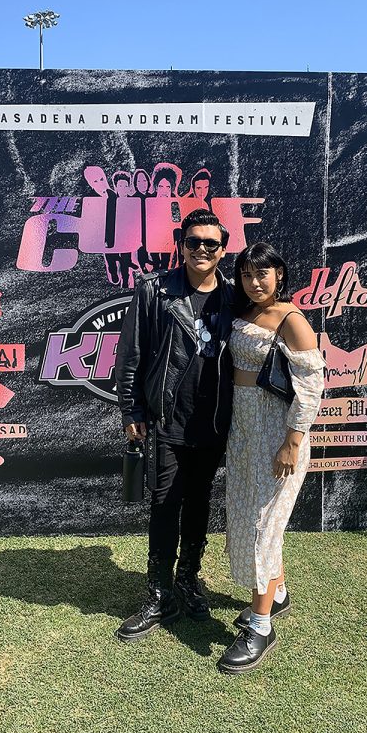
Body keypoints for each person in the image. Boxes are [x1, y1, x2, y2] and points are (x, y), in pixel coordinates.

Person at [114, 208, 234, 642]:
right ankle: (160, 591)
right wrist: (132, 412)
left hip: (213, 423)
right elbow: (131, 355)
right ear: (180, 245)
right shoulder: (154, 291)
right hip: (166, 420)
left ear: (223, 249)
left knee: (199, 502)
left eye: (211, 243)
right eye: (193, 241)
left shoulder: (234, 297)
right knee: (165, 503)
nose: (202, 249)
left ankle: (188, 578)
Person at [218, 242, 325, 674]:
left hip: (277, 438)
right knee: (248, 517)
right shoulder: (242, 314)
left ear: (280, 274)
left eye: (263, 274)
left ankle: (261, 626)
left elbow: (312, 388)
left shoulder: (291, 319)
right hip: (244, 433)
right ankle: (276, 594)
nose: (254, 282)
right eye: (246, 274)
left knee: (264, 525)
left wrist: (293, 442)